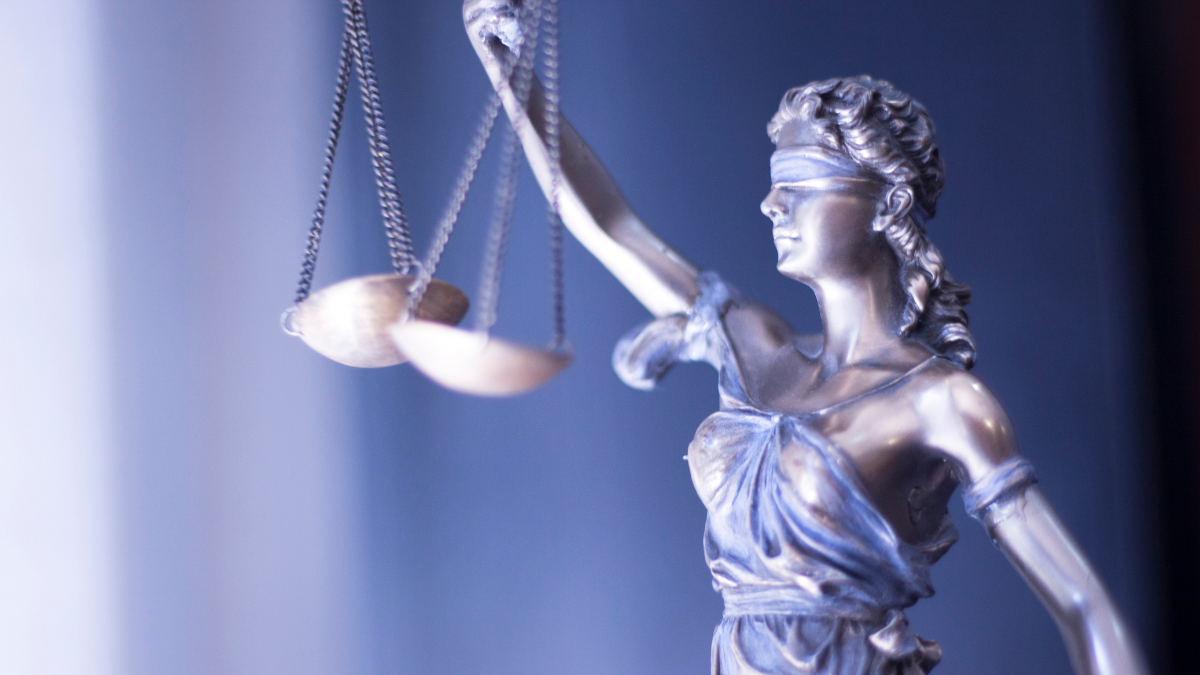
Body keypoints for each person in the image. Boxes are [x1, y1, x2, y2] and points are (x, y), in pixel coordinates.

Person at [462, 2, 1150, 673]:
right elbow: (613, 226)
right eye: (773, 185)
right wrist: (510, 71)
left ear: (888, 203)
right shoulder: (754, 346)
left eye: (801, 184)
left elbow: (1084, 606)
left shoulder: (940, 400)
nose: (772, 205)